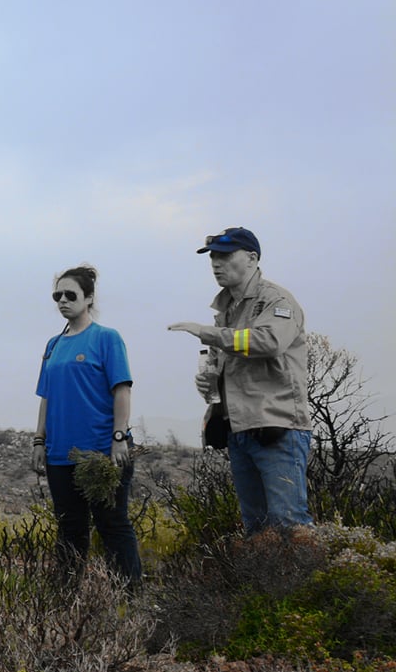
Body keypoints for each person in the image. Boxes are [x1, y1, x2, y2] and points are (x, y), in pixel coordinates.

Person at [170, 227, 312, 535]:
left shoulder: (275, 300)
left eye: (224, 255)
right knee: (257, 531)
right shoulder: (227, 310)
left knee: (288, 525)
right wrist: (211, 383)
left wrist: (206, 332)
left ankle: (308, 584)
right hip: (241, 430)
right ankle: (266, 584)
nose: (216, 264)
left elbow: (269, 341)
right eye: (213, 257)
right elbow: (233, 358)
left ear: (251, 258)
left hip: (278, 428)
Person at [34, 264, 141, 581]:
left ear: (89, 298)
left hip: (101, 452)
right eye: (58, 295)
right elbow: (46, 396)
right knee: (69, 527)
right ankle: (65, 602)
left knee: (112, 524)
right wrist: (39, 441)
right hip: (60, 454)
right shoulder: (53, 345)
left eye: (70, 295)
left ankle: (129, 597)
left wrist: (118, 437)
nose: (63, 301)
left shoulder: (107, 339)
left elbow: (121, 389)